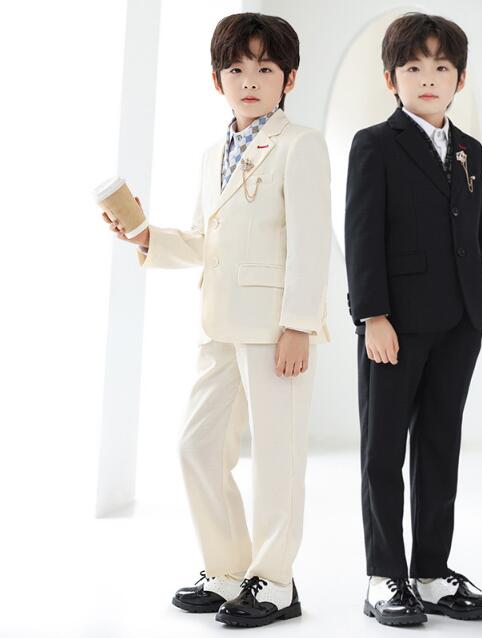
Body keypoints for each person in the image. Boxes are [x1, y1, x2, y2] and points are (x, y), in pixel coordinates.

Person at [102, 12, 331, 629]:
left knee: (277, 459)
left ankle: (275, 582)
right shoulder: (213, 154)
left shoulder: (302, 144)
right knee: (197, 446)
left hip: (275, 328)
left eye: (265, 68)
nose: (249, 80)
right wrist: (146, 235)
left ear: (289, 78)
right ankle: (228, 569)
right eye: (236, 69)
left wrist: (298, 325)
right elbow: (206, 239)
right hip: (220, 324)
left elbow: (312, 242)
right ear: (216, 80)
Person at [344, 11, 482, 626]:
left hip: (460, 322)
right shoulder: (375, 145)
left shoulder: (469, 150)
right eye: (412, 67)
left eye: (441, 67)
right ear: (391, 79)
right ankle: (385, 575)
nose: (427, 78)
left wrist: (480, 304)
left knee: (439, 446)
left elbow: (480, 235)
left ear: (460, 78)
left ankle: (431, 573)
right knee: (383, 451)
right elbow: (362, 237)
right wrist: (372, 316)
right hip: (396, 326)